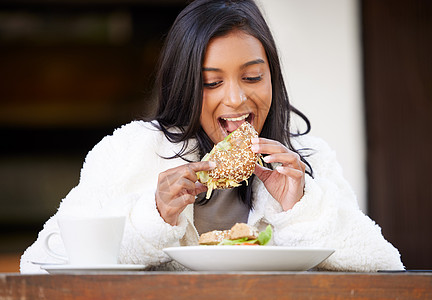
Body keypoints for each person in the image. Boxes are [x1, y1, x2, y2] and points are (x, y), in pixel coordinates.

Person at [20, 0, 404, 273]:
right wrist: (152, 216)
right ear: (184, 86)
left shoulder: (308, 160)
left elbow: (383, 267)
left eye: (253, 77)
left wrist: (301, 208)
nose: (236, 98)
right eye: (211, 82)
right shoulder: (130, 153)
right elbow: (39, 266)